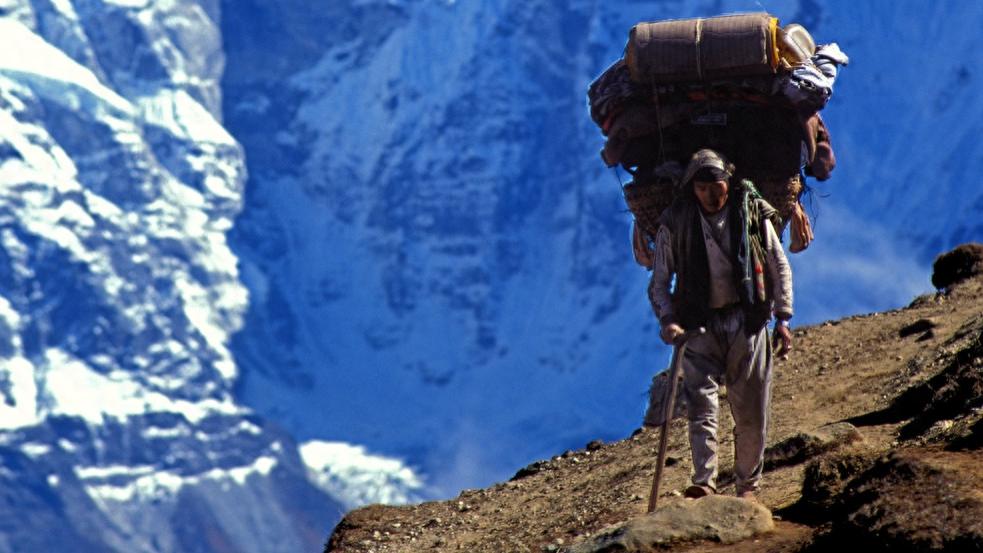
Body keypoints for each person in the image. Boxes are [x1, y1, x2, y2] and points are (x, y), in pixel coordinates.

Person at [647, 148, 793, 501]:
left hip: (749, 320)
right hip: (698, 325)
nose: (711, 195)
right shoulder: (676, 222)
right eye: (702, 188)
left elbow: (778, 264)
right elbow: (659, 282)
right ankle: (704, 481)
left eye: (718, 186)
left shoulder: (751, 213)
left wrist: (784, 317)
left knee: (752, 410)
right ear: (692, 189)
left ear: (730, 182)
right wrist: (667, 320)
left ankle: (748, 487)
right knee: (701, 408)